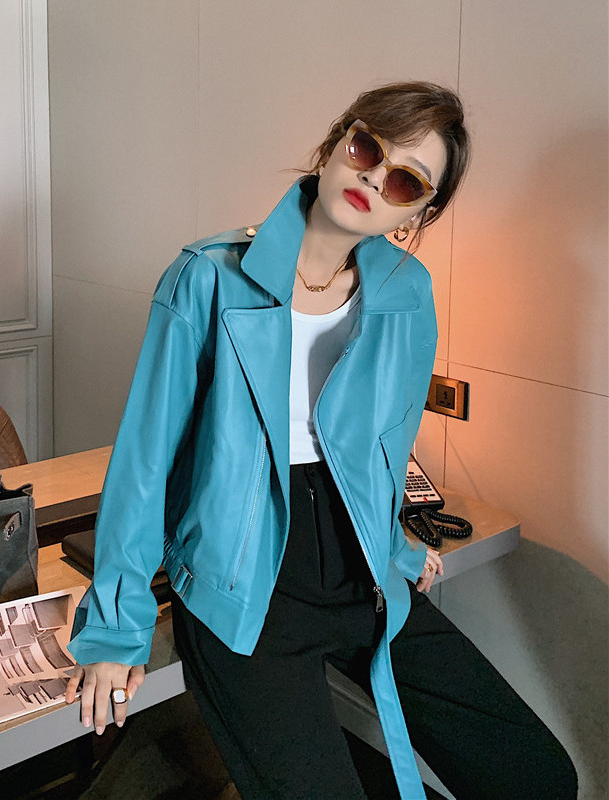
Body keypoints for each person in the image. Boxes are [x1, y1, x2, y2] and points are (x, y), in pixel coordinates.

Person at [65, 82, 577, 799]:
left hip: (359, 567)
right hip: (244, 576)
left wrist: (393, 543)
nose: (375, 177)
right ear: (337, 142)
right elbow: (144, 462)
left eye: (406, 180)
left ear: (418, 212)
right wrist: (116, 627)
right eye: (368, 147)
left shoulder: (407, 293)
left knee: (539, 776)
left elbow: (386, 447)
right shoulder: (207, 277)